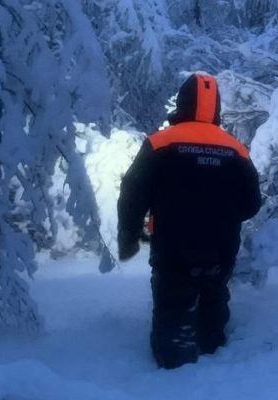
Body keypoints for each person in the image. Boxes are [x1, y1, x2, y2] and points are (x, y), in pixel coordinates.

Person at [117, 72, 262, 369]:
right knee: (214, 294)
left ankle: (174, 359)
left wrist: (129, 234)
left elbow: (132, 194)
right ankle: (211, 347)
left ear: (182, 102)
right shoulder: (235, 149)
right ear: (216, 107)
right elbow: (252, 203)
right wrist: (225, 218)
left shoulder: (160, 143)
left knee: (172, 297)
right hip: (220, 246)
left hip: (173, 244)